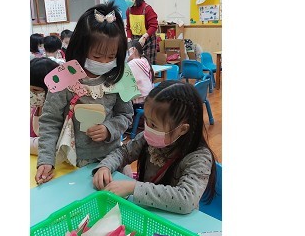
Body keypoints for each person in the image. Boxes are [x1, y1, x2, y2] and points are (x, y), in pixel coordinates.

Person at [36, 3, 134, 184]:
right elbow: (50, 121)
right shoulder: (65, 77)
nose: (104, 62)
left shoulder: (118, 78)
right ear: (80, 48)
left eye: (111, 57)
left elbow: (126, 115)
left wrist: (109, 129)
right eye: (97, 56)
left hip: (110, 160)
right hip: (72, 161)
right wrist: (46, 159)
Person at [92, 80, 217, 214]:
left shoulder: (199, 157)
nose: (147, 128)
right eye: (146, 120)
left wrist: (134, 187)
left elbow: (186, 200)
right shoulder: (147, 138)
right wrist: (105, 167)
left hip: (174, 221)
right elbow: (124, 152)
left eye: (153, 125)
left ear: (182, 129)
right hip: (145, 213)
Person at [121, 0, 158, 64]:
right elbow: (128, 27)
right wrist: (129, 38)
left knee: (147, 65)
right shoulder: (128, 11)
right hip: (135, 40)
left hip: (148, 41)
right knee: (135, 64)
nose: (126, 0)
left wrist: (144, 37)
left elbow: (154, 25)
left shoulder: (147, 9)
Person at [30, 58, 59, 155]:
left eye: (35, 90)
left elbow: (50, 145)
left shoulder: (59, 114)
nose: (30, 94)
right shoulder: (36, 107)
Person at [127, 39, 154, 107]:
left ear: (133, 49)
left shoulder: (133, 63)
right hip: (148, 97)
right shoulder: (144, 60)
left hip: (139, 101)